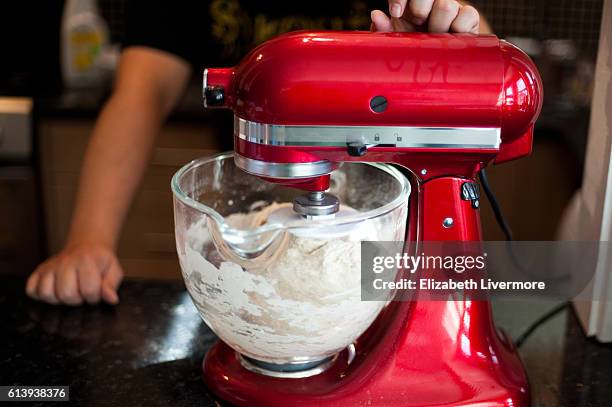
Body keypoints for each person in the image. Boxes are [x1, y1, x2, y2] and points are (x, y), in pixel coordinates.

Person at [26, 0, 490, 305]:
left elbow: (491, 71)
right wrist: (89, 240)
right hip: (249, 236)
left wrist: (444, 54)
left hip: (400, 248)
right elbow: (139, 95)